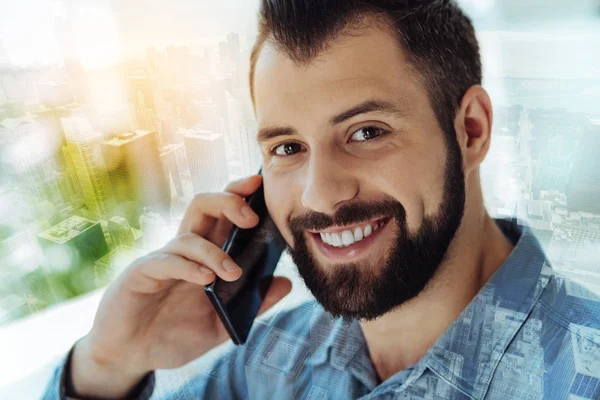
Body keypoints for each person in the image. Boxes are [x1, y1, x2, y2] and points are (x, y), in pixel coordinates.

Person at [43, 0, 600, 399]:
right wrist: (106, 366)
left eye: (366, 132)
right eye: (287, 146)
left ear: (471, 131)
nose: (320, 194)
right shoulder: (267, 363)